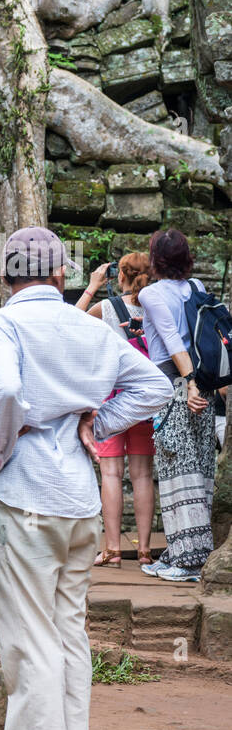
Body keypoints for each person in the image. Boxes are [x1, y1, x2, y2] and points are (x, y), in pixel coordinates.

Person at [0, 228, 170, 730]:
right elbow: (154, 386)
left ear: (7, 278)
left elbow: (3, 390)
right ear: (61, 276)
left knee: (29, 640)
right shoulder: (90, 326)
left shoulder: (1, 324)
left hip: (28, 497)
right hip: (82, 502)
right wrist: (98, 426)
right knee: (67, 636)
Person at [136, 229, 219, 583]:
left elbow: (172, 340)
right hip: (203, 385)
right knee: (199, 469)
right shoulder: (197, 286)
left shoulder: (149, 293)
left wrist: (189, 385)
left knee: (176, 470)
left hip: (177, 387)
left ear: (156, 259)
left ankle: (188, 562)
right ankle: (179, 552)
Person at [74, 253, 155, 568]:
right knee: (143, 475)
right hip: (145, 401)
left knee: (110, 473)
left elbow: (67, 323)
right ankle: (146, 551)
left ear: (119, 276)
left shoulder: (105, 308)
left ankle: (113, 549)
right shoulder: (155, 308)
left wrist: (93, 286)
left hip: (110, 400)